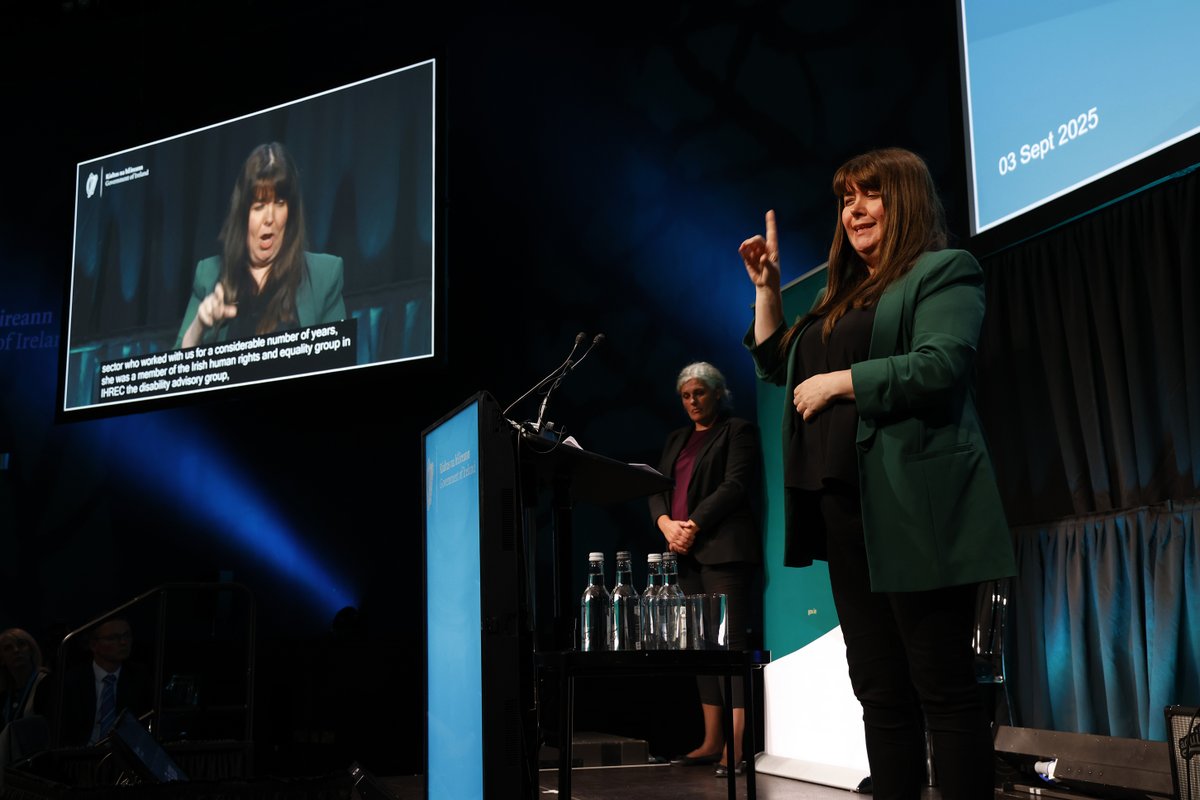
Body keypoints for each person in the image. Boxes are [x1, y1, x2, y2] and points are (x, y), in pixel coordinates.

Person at [739, 147, 1016, 800]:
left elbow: (941, 364)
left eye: (870, 194)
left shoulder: (943, 272)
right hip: (840, 509)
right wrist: (768, 292)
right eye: (845, 198)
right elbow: (779, 361)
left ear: (908, 199)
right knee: (879, 691)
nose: (854, 209)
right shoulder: (841, 296)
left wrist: (840, 383)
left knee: (941, 686)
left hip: (912, 506)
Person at [647, 361, 762, 778]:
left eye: (699, 392)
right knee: (699, 646)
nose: (692, 401)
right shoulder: (676, 438)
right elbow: (656, 487)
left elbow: (734, 486)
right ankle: (712, 741)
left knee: (729, 646)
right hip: (684, 554)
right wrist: (665, 525)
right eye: (685, 395)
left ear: (717, 393)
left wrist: (691, 525)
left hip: (723, 550)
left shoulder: (738, 431)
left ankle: (737, 746)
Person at [175, 141, 346, 349]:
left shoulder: (324, 276)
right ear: (242, 214)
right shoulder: (208, 274)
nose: (270, 218)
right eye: (260, 206)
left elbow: (338, 361)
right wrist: (199, 327)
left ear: (290, 212)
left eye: (280, 203)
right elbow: (178, 373)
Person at [57, 617, 153, 747]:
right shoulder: (72, 681)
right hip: (81, 756)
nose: (123, 642)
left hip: (124, 755)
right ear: (93, 645)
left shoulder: (140, 677)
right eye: (113, 638)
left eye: (127, 636)